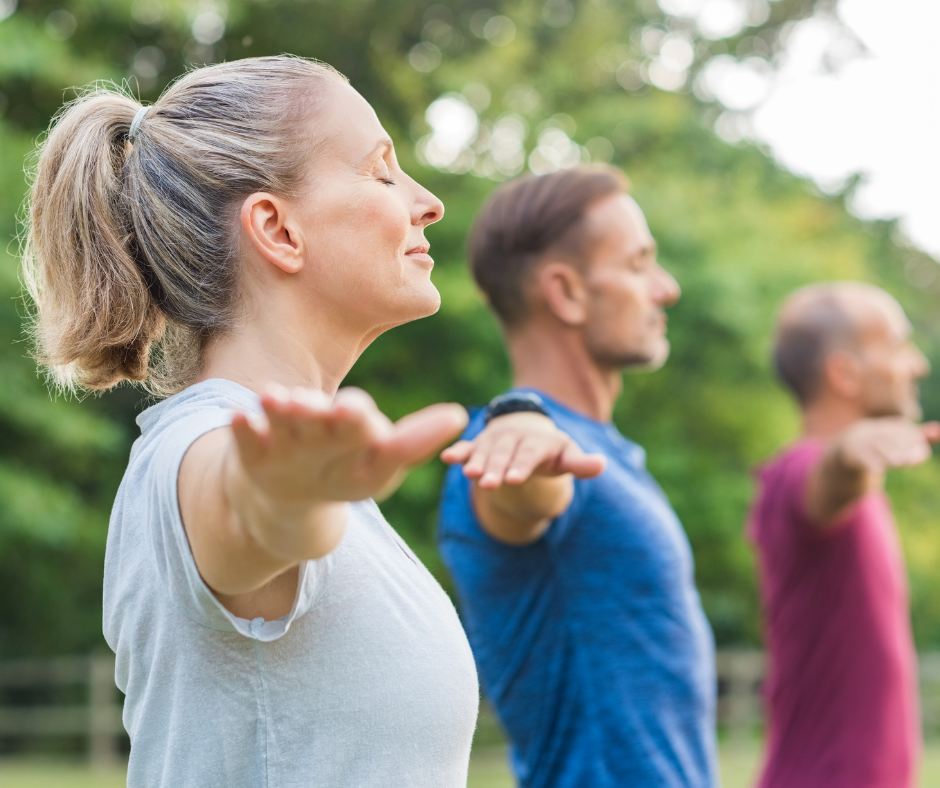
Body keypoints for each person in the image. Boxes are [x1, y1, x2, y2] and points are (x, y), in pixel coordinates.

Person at [21, 57, 479, 787]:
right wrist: (282, 496)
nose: (428, 203)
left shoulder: (315, 474)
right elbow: (240, 507)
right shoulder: (201, 449)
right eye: (381, 172)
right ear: (277, 229)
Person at [437, 166, 718, 788]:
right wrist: (520, 428)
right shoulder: (511, 449)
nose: (666, 288)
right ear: (566, 292)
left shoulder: (603, 452)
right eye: (639, 264)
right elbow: (523, 490)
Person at [748, 282, 938, 788]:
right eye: (898, 345)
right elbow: (828, 476)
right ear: (845, 374)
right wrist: (849, 451)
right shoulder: (796, 473)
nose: (917, 365)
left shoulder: (864, 495)